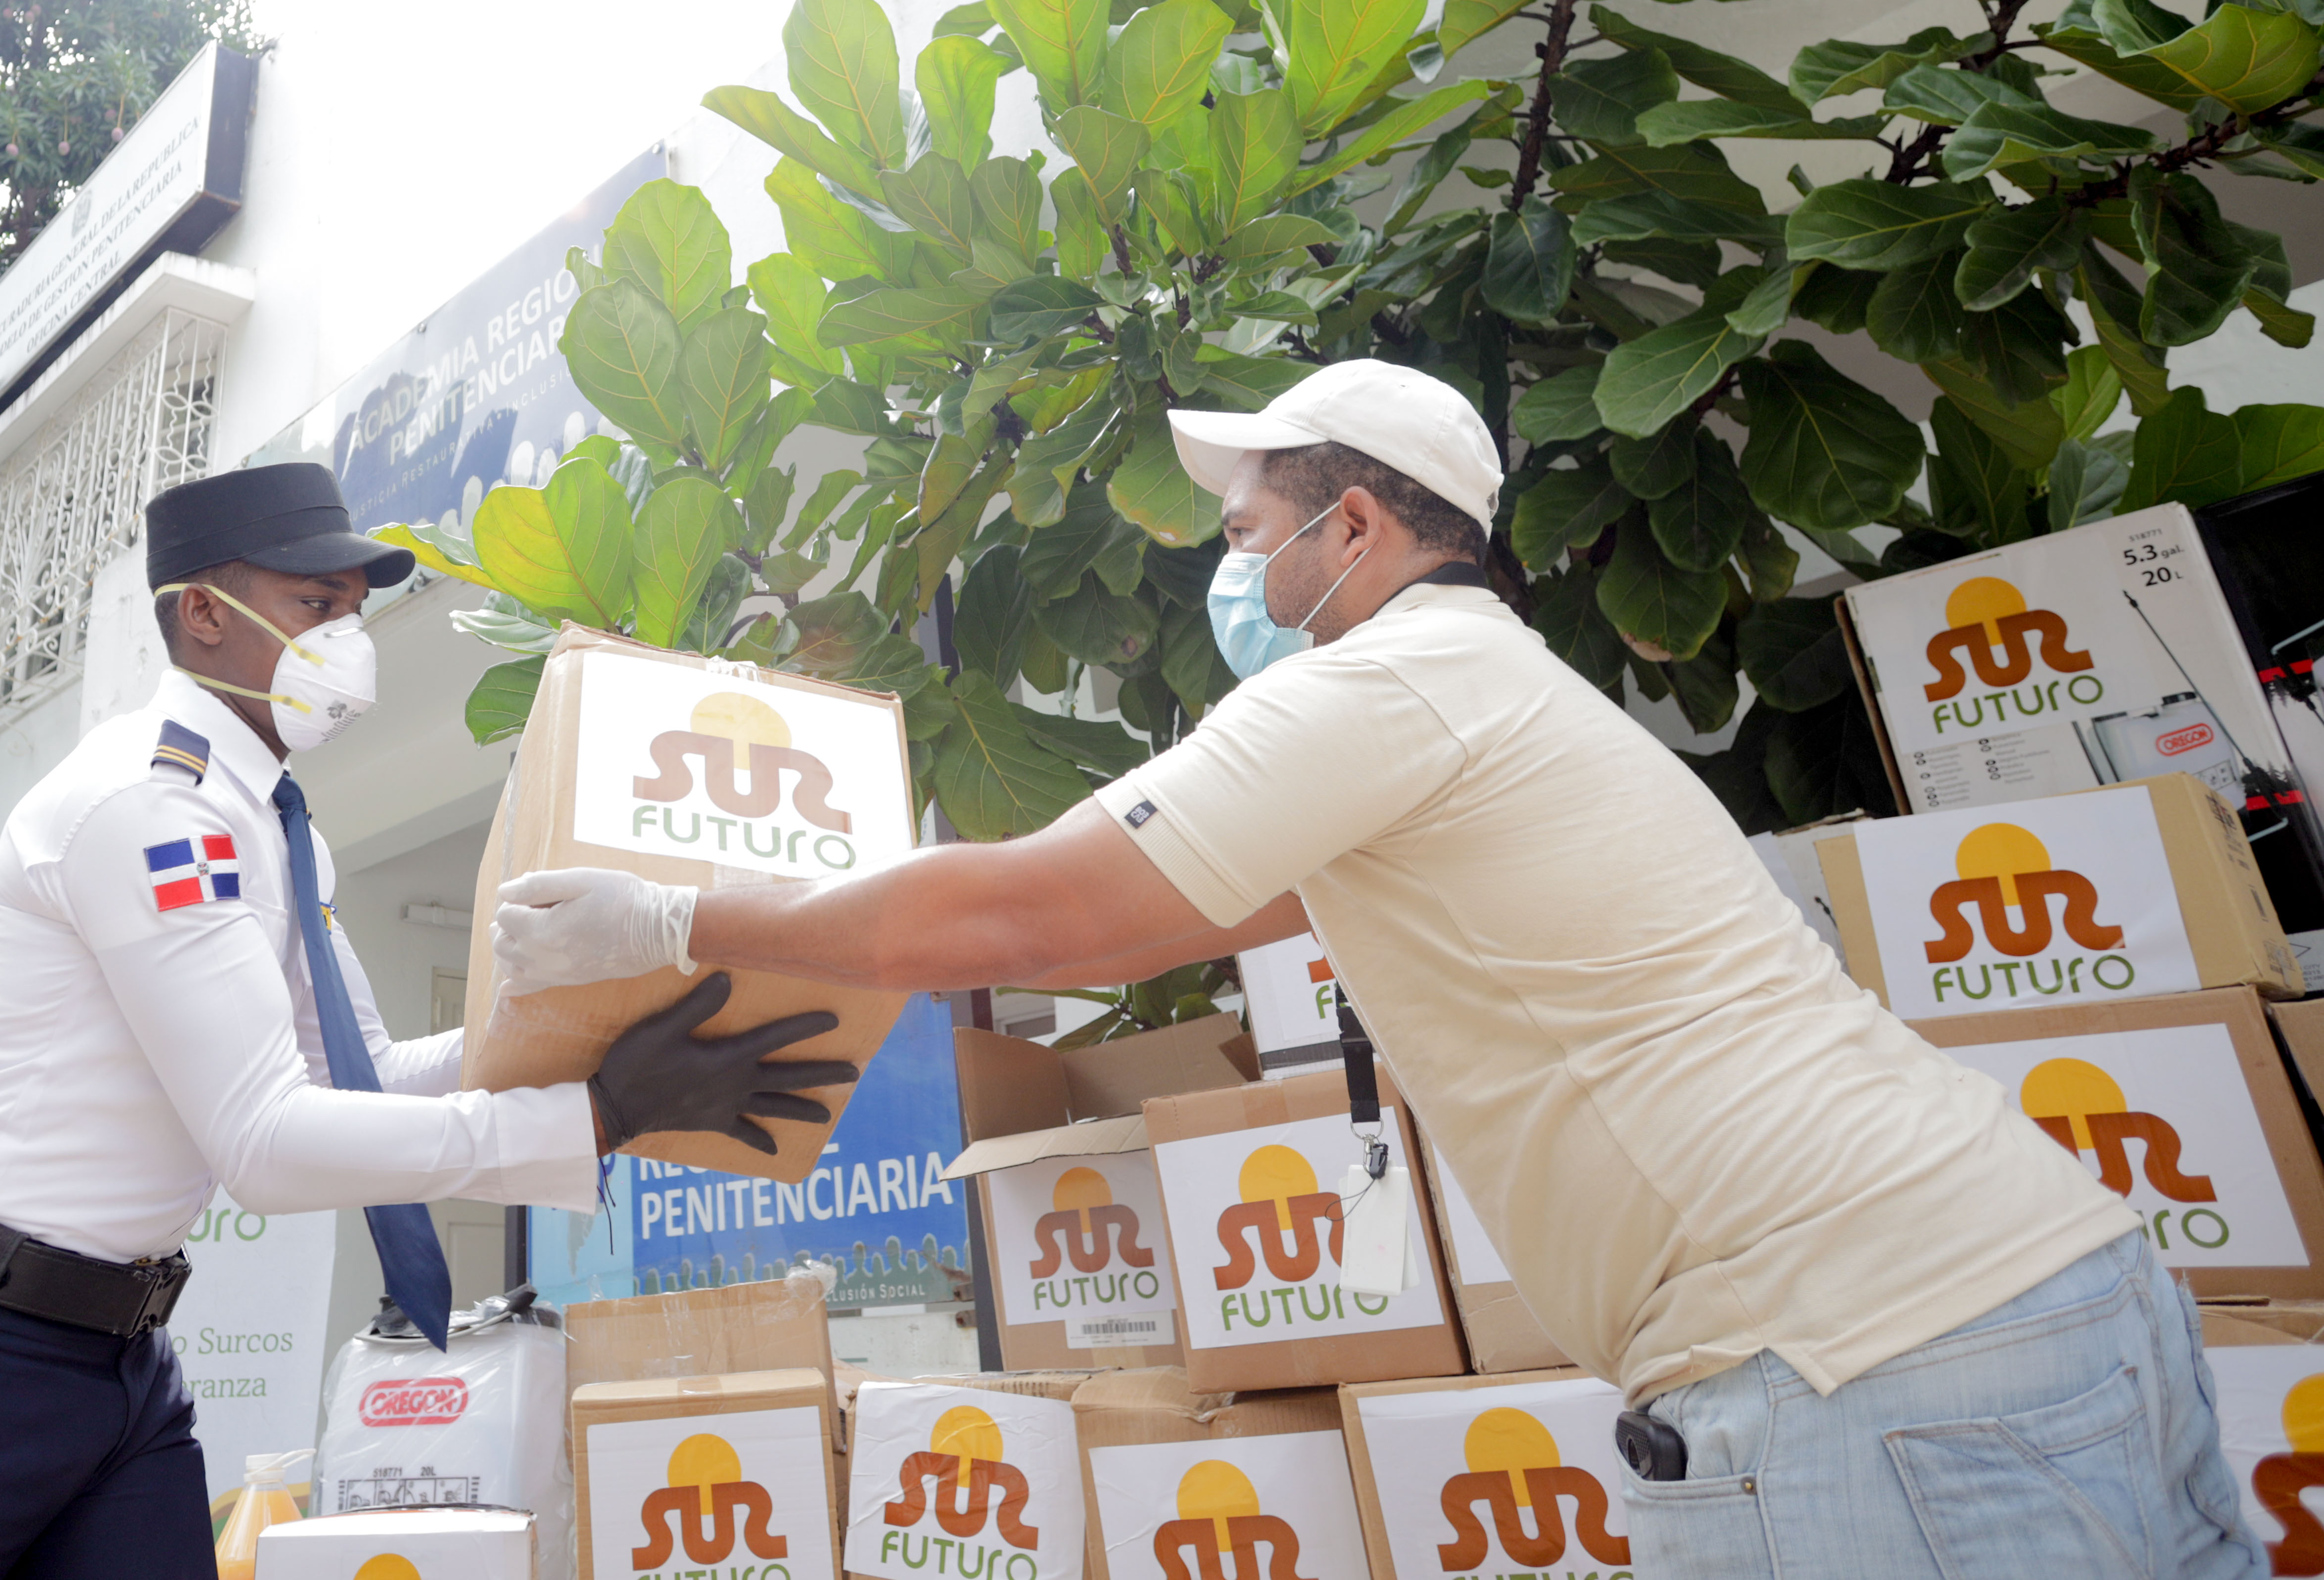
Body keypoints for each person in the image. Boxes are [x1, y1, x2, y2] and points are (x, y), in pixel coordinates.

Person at [494, 362, 2256, 1578]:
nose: (1230, 569)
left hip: (1864, 1357)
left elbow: (1033, 916)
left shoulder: (1391, 686)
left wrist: (672, 916)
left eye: (1249, 530)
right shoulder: (1481, 703)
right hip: (2042, 1283)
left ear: (1354, 527)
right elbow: (1139, 914)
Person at [0, 462, 852, 1580]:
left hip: (114, 1358)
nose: (347, 641)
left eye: (353, 614)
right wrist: (593, 1115)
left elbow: (353, 1075)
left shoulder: (276, 829)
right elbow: (266, 1141)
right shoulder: (147, 805)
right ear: (206, 616)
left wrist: (603, 1034)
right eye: (316, 606)